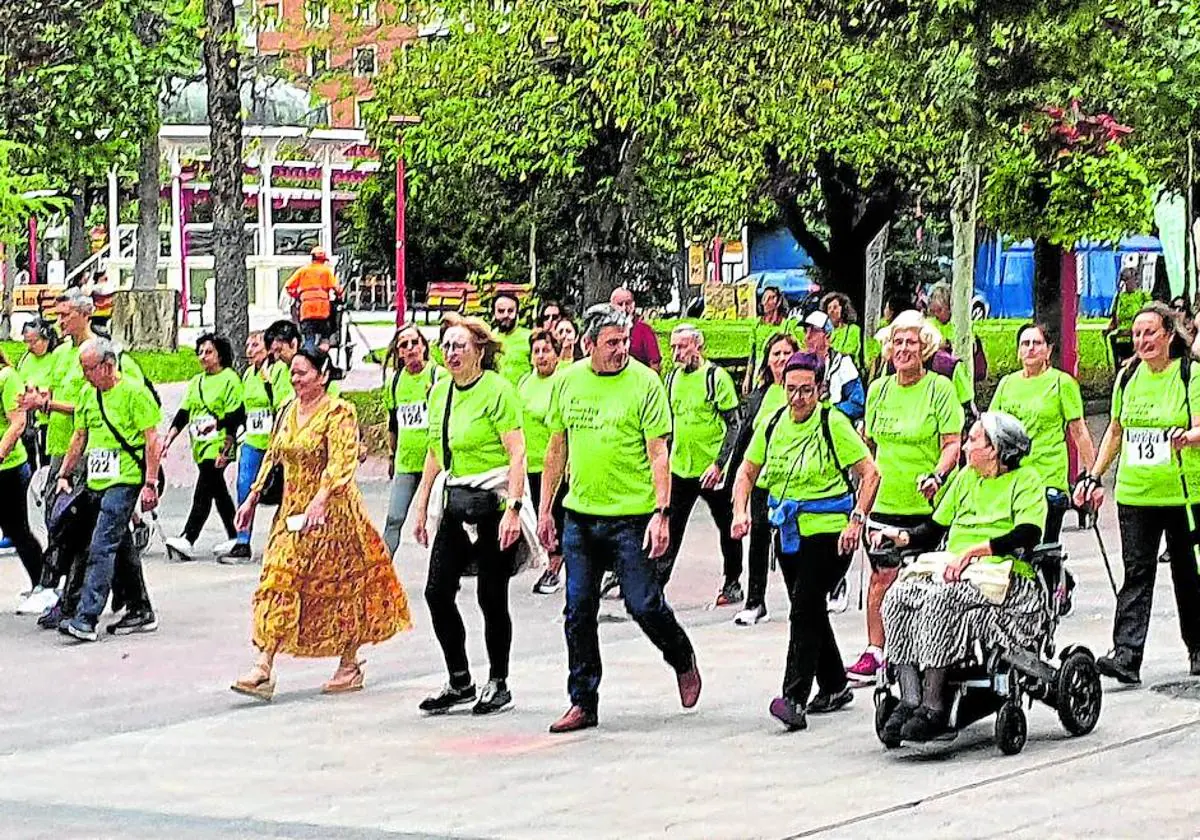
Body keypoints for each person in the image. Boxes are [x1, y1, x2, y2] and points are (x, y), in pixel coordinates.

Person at [537, 304, 700, 733]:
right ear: (588, 345)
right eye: (611, 343)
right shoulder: (569, 381)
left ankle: (681, 657)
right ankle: (583, 700)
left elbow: (658, 452)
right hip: (581, 515)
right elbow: (556, 448)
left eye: (624, 341)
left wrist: (662, 514)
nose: (620, 350)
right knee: (578, 610)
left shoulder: (645, 383)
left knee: (642, 602)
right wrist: (545, 510)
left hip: (632, 515)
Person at [231, 347, 411, 700]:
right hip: (292, 512)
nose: (296, 380)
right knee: (277, 577)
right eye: (293, 373)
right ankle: (264, 665)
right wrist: (252, 497)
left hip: (334, 514)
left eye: (303, 373)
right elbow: (273, 455)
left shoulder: (339, 412)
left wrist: (322, 497)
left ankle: (349, 662)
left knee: (341, 588)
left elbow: (343, 461)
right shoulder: (287, 410)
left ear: (323, 375)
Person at [876, 412, 1047, 742]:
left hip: (1005, 575)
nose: (966, 447)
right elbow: (935, 528)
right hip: (956, 568)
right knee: (898, 596)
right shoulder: (967, 477)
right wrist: (902, 537)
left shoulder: (1027, 481)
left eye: (973, 440)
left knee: (941, 600)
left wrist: (974, 552)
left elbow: (1028, 533)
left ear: (995, 449)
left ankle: (933, 705)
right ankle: (910, 698)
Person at [732, 352, 880, 731]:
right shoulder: (774, 423)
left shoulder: (833, 423)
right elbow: (747, 472)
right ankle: (833, 684)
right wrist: (740, 511)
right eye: (792, 389)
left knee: (803, 608)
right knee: (810, 607)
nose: (798, 398)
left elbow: (869, 472)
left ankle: (793, 697)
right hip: (790, 532)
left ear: (820, 390)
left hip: (830, 533)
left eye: (807, 391)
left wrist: (856, 521)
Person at [1079, 303, 1200, 685]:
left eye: (1150, 333)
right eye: (1137, 334)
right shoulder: (1128, 376)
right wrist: (1094, 476)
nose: (1143, 341)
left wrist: (1187, 437)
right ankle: (1127, 655)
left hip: (1183, 494)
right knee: (1137, 573)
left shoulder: (1189, 374)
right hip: (1136, 493)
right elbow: (1115, 431)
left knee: (1189, 573)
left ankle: (1197, 647)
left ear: (1169, 334)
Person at [412, 314, 527, 716]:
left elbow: (517, 452)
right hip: (456, 501)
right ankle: (459, 680)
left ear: (479, 350)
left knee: (491, 596)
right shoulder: (440, 391)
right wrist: (423, 504)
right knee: (436, 592)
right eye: (446, 346)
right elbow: (434, 451)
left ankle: (499, 681)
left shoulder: (498, 391)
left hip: (492, 503)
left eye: (460, 345)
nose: (452, 353)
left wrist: (514, 508)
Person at [847, 310, 963, 685]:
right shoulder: (879, 390)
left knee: (923, 582)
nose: (902, 349)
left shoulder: (939, 389)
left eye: (910, 342)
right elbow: (868, 445)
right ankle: (876, 652)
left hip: (926, 507)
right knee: (883, 576)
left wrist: (938, 474)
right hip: (882, 502)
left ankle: (922, 651)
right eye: (896, 342)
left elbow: (952, 444)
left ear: (924, 347)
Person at [21, 292, 151, 624]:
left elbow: (117, 397)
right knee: (98, 532)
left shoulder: (107, 353)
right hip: (64, 447)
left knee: (82, 532)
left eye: (66, 315)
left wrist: (49, 406)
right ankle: (133, 600)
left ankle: (76, 604)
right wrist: (42, 400)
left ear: (85, 314)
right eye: (57, 316)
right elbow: (68, 399)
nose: (60, 322)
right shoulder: (62, 354)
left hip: (100, 456)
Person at [54, 338, 161, 641]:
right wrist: (65, 473)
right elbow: (79, 437)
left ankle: (87, 617)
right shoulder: (88, 394)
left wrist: (150, 483)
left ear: (107, 365)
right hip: (96, 481)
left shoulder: (134, 393)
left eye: (88, 368)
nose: (85, 374)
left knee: (101, 547)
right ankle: (140, 608)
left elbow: (152, 439)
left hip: (124, 480)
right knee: (120, 544)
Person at [659, 324, 744, 603]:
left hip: (711, 469)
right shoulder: (672, 379)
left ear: (698, 346)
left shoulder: (715, 377)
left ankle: (732, 581)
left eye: (682, 346)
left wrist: (719, 464)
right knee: (671, 527)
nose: (677, 353)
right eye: (673, 347)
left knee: (727, 525)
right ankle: (657, 586)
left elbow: (734, 423)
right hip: (681, 466)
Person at [990, 323, 1096, 543]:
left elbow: (1079, 431)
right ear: (1018, 351)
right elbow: (991, 430)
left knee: (1043, 547)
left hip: (1048, 478)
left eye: (1037, 343)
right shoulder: (1006, 384)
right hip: (1012, 479)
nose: (1030, 349)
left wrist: (1092, 476)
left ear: (1048, 350)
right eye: (1025, 344)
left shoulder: (1062, 383)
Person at [727, 332, 801, 625]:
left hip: (793, 482)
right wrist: (735, 480)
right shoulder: (759, 396)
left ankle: (801, 599)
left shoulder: (801, 392)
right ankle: (755, 601)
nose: (781, 359)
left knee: (790, 543)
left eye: (786, 353)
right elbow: (745, 439)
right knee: (758, 539)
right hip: (762, 480)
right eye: (775, 354)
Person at [163, 334, 246, 560]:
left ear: (220, 354)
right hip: (200, 446)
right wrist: (170, 436)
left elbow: (235, 416)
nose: (203, 357)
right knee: (217, 492)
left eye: (208, 352)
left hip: (218, 444)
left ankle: (188, 537)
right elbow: (184, 412)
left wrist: (225, 450)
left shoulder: (230, 379)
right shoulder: (197, 382)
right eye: (200, 352)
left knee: (204, 489)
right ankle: (237, 535)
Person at [216, 331, 294, 563]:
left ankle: (285, 540)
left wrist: (279, 439)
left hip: (274, 442)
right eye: (247, 345)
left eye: (255, 345)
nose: (249, 350)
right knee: (244, 485)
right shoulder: (248, 374)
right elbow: (243, 410)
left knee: (284, 491)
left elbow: (284, 404)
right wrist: (228, 440)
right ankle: (242, 541)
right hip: (252, 440)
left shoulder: (278, 370)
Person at [380, 325, 440, 557]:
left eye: (414, 343)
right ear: (398, 352)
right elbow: (394, 424)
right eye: (404, 345)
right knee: (394, 517)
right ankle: (382, 574)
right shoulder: (395, 382)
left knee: (440, 522)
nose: (410, 348)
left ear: (424, 346)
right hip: (407, 461)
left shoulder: (438, 376)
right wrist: (392, 455)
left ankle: (446, 576)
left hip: (436, 463)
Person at [522, 330, 567, 594]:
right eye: (536, 351)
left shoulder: (562, 383)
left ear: (557, 355)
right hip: (531, 463)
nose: (541, 356)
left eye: (546, 350)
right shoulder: (525, 383)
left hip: (556, 465)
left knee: (555, 516)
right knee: (540, 516)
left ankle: (553, 569)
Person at [0, 347, 43, 595]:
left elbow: (18, 423)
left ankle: (43, 584)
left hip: (9, 467)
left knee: (18, 530)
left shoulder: (7, 377)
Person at [801, 311, 865, 425]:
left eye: (814, 331)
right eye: (806, 331)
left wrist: (828, 411)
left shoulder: (843, 363)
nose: (807, 337)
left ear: (827, 336)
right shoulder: (799, 364)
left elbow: (857, 404)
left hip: (834, 426)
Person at [284, 246, 344, 351]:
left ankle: (309, 353)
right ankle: (324, 346)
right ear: (323, 260)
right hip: (322, 310)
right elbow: (337, 288)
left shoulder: (303, 271)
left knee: (309, 338)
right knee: (325, 333)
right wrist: (339, 296)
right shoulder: (326, 271)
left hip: (306, 309)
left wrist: (298, 296)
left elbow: (289, 287)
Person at [18, 318, 59, 469]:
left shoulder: (55, 357)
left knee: (45, 462)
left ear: (46, 338)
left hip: (48, 419)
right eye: (26, 342)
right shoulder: (27, 358)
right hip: (29, 419)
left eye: (33, 342)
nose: (29, 346)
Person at [927, 282, 987, 384]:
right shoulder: (931, 323)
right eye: (933, 311)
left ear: (950, 307)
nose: (936, 315)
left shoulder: (960, 325)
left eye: (940, 310)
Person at [1106, 267, 1151, 367]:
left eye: (1128, 279)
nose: (1126, 282)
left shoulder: (1143, 296)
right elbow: (1114, 318)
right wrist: (1109, 328)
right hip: (1120, 336)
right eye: (1124, 279)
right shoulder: (1119, 297)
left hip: (1136, 335)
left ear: (1135, 279)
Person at [610, 287, 662, 373]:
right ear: (611, 306)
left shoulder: (644, 330)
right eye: (619, 304)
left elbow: (655, 364)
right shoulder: (604, 331)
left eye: (627, 304)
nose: (624, 308)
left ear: (633, 305)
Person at [491, 292, 533, 386]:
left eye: (510, 311)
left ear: (517, 313)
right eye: (501, 311)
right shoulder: (489, 339)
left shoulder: (529, 337)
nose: (506, 315)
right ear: (494, 313)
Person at [822, 292, 862, 370]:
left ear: (843, 309)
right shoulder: (827, 333)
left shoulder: (853, 329)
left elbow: (850, 351)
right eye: (829, 308)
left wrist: (830, 348)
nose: (831, 311)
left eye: (835, 307)